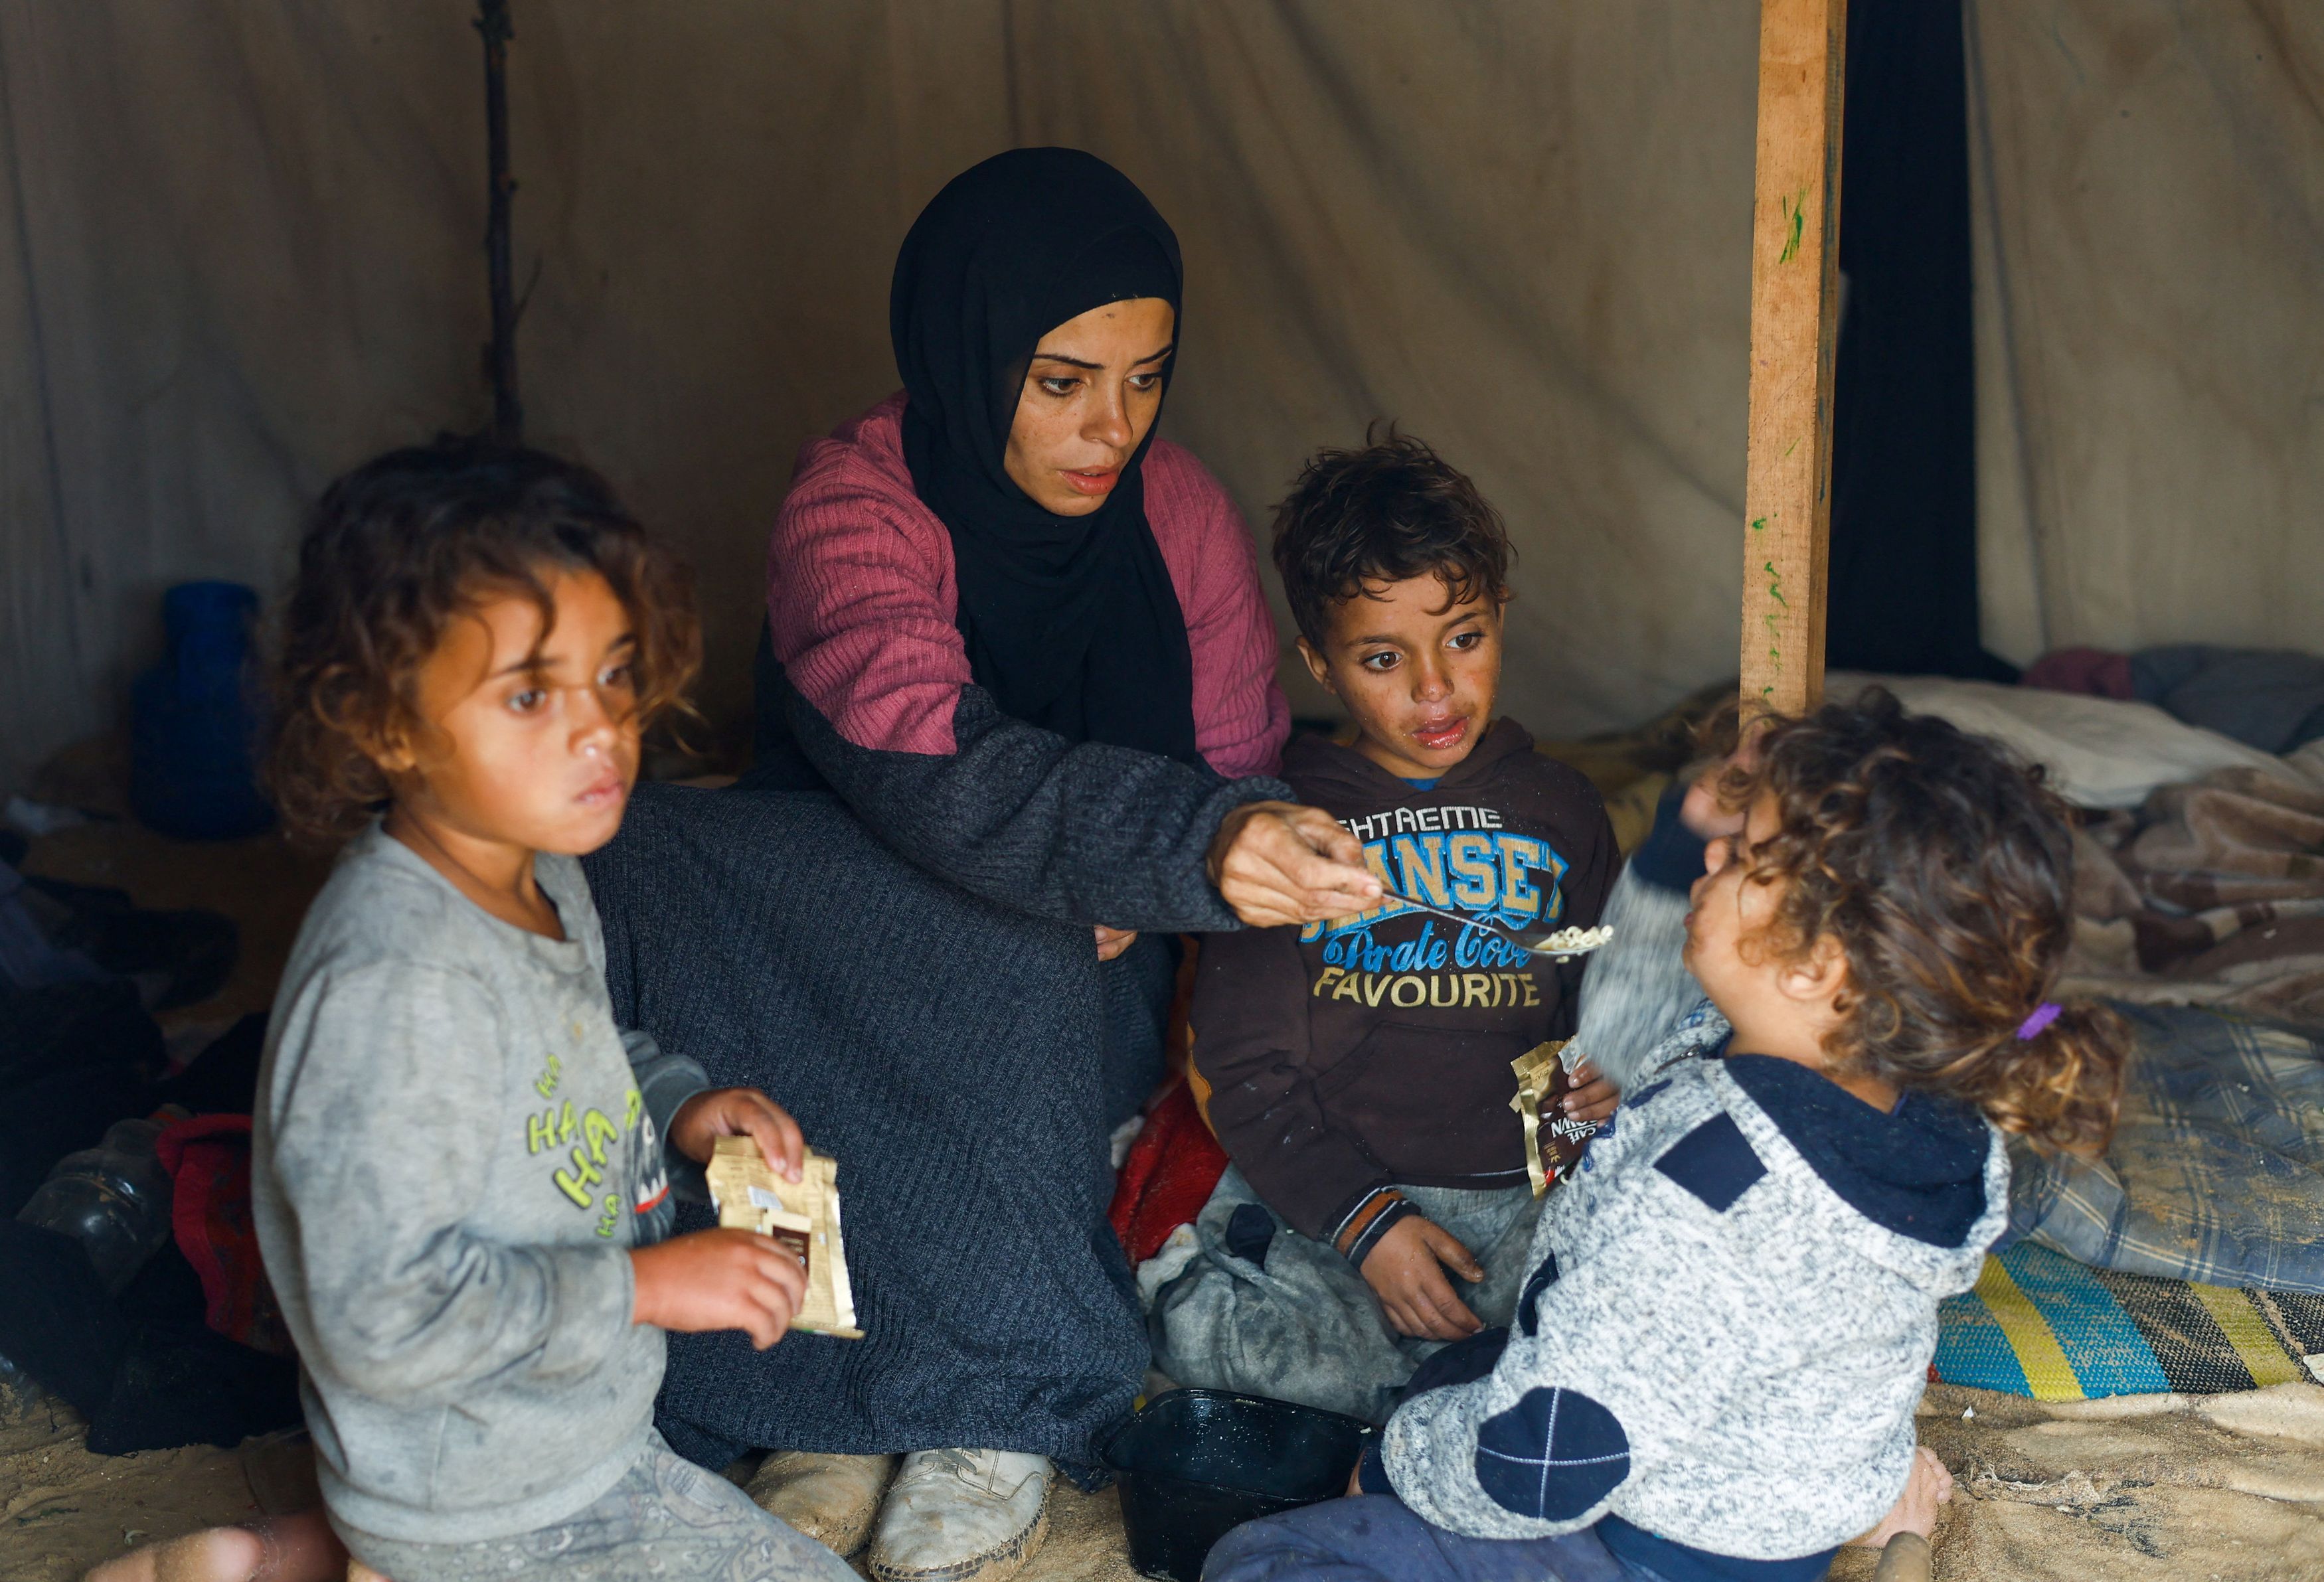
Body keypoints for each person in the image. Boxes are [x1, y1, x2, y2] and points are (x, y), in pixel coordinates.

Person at [579, 147, 1382, 1582]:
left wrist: (1219, 846)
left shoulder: (1179, 512)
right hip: (836, 915)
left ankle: (993, 1404)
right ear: (964, 346)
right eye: (1062, 378)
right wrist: (1169, 844)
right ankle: (824, 1406)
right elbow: (933, 765)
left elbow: (1237, 759)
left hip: (1091, 963)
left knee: (1027, 944)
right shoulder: (854, 502)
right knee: (626, 848)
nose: (1109, 426)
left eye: (1145, 377)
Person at [1204, 690, 2127, 1582]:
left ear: (1817, 967)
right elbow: (1621, 1038)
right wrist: (1677, 850)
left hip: (1648, 1544)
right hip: (1779, 1492)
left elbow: (1544, 1471)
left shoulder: (1702, 1195)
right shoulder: (1909, 1097)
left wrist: (1404, 1465)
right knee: (1464, 1372)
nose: (1718, 850)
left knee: (1267, 1558)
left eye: (1745, 856)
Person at [240, 443, 857, 1582]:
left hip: (578, 1444)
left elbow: (560, 1057)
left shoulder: (538, 872)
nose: (600, 730)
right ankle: (357, 1559)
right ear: (384, 726)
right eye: (530, 693)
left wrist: (681, 1108)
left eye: (613, 675)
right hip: (474, 1498)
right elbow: (378, 1317)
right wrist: (645, 1285)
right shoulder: (390, 984)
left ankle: (295, 1557)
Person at [1147, 433, 1619, 1422]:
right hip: (1335, 1196)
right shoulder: (1285, 822)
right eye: (1381, 657)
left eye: (1464, 636)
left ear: (1501, 617)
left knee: (1606, 1326)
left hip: (1515, 1202)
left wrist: (1597, 1095)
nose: (1434, 688)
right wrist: (1371, 1227)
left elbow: (1601, 1015)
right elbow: (1243, 1069)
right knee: (1263, 1347)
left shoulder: (1565, 809)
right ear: (1320, 662)